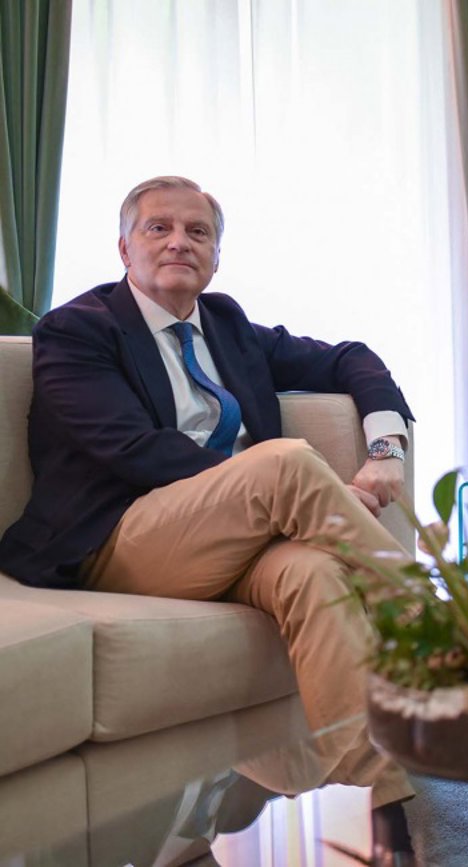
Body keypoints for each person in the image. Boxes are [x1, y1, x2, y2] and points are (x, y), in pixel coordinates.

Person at [0, 176, 417, 861]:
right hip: (118, 539)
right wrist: (265, 492)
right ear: (124, 248)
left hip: (229, 539)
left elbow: (350, 358)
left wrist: (385, 449)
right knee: (283, 462)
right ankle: (436, 624)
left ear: (216, 257)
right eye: (158, 227)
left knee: (314, 574)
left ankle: (385, 810)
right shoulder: (78, 330)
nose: (179, 242)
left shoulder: (225, 324)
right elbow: (132, 450)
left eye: (197, 232)